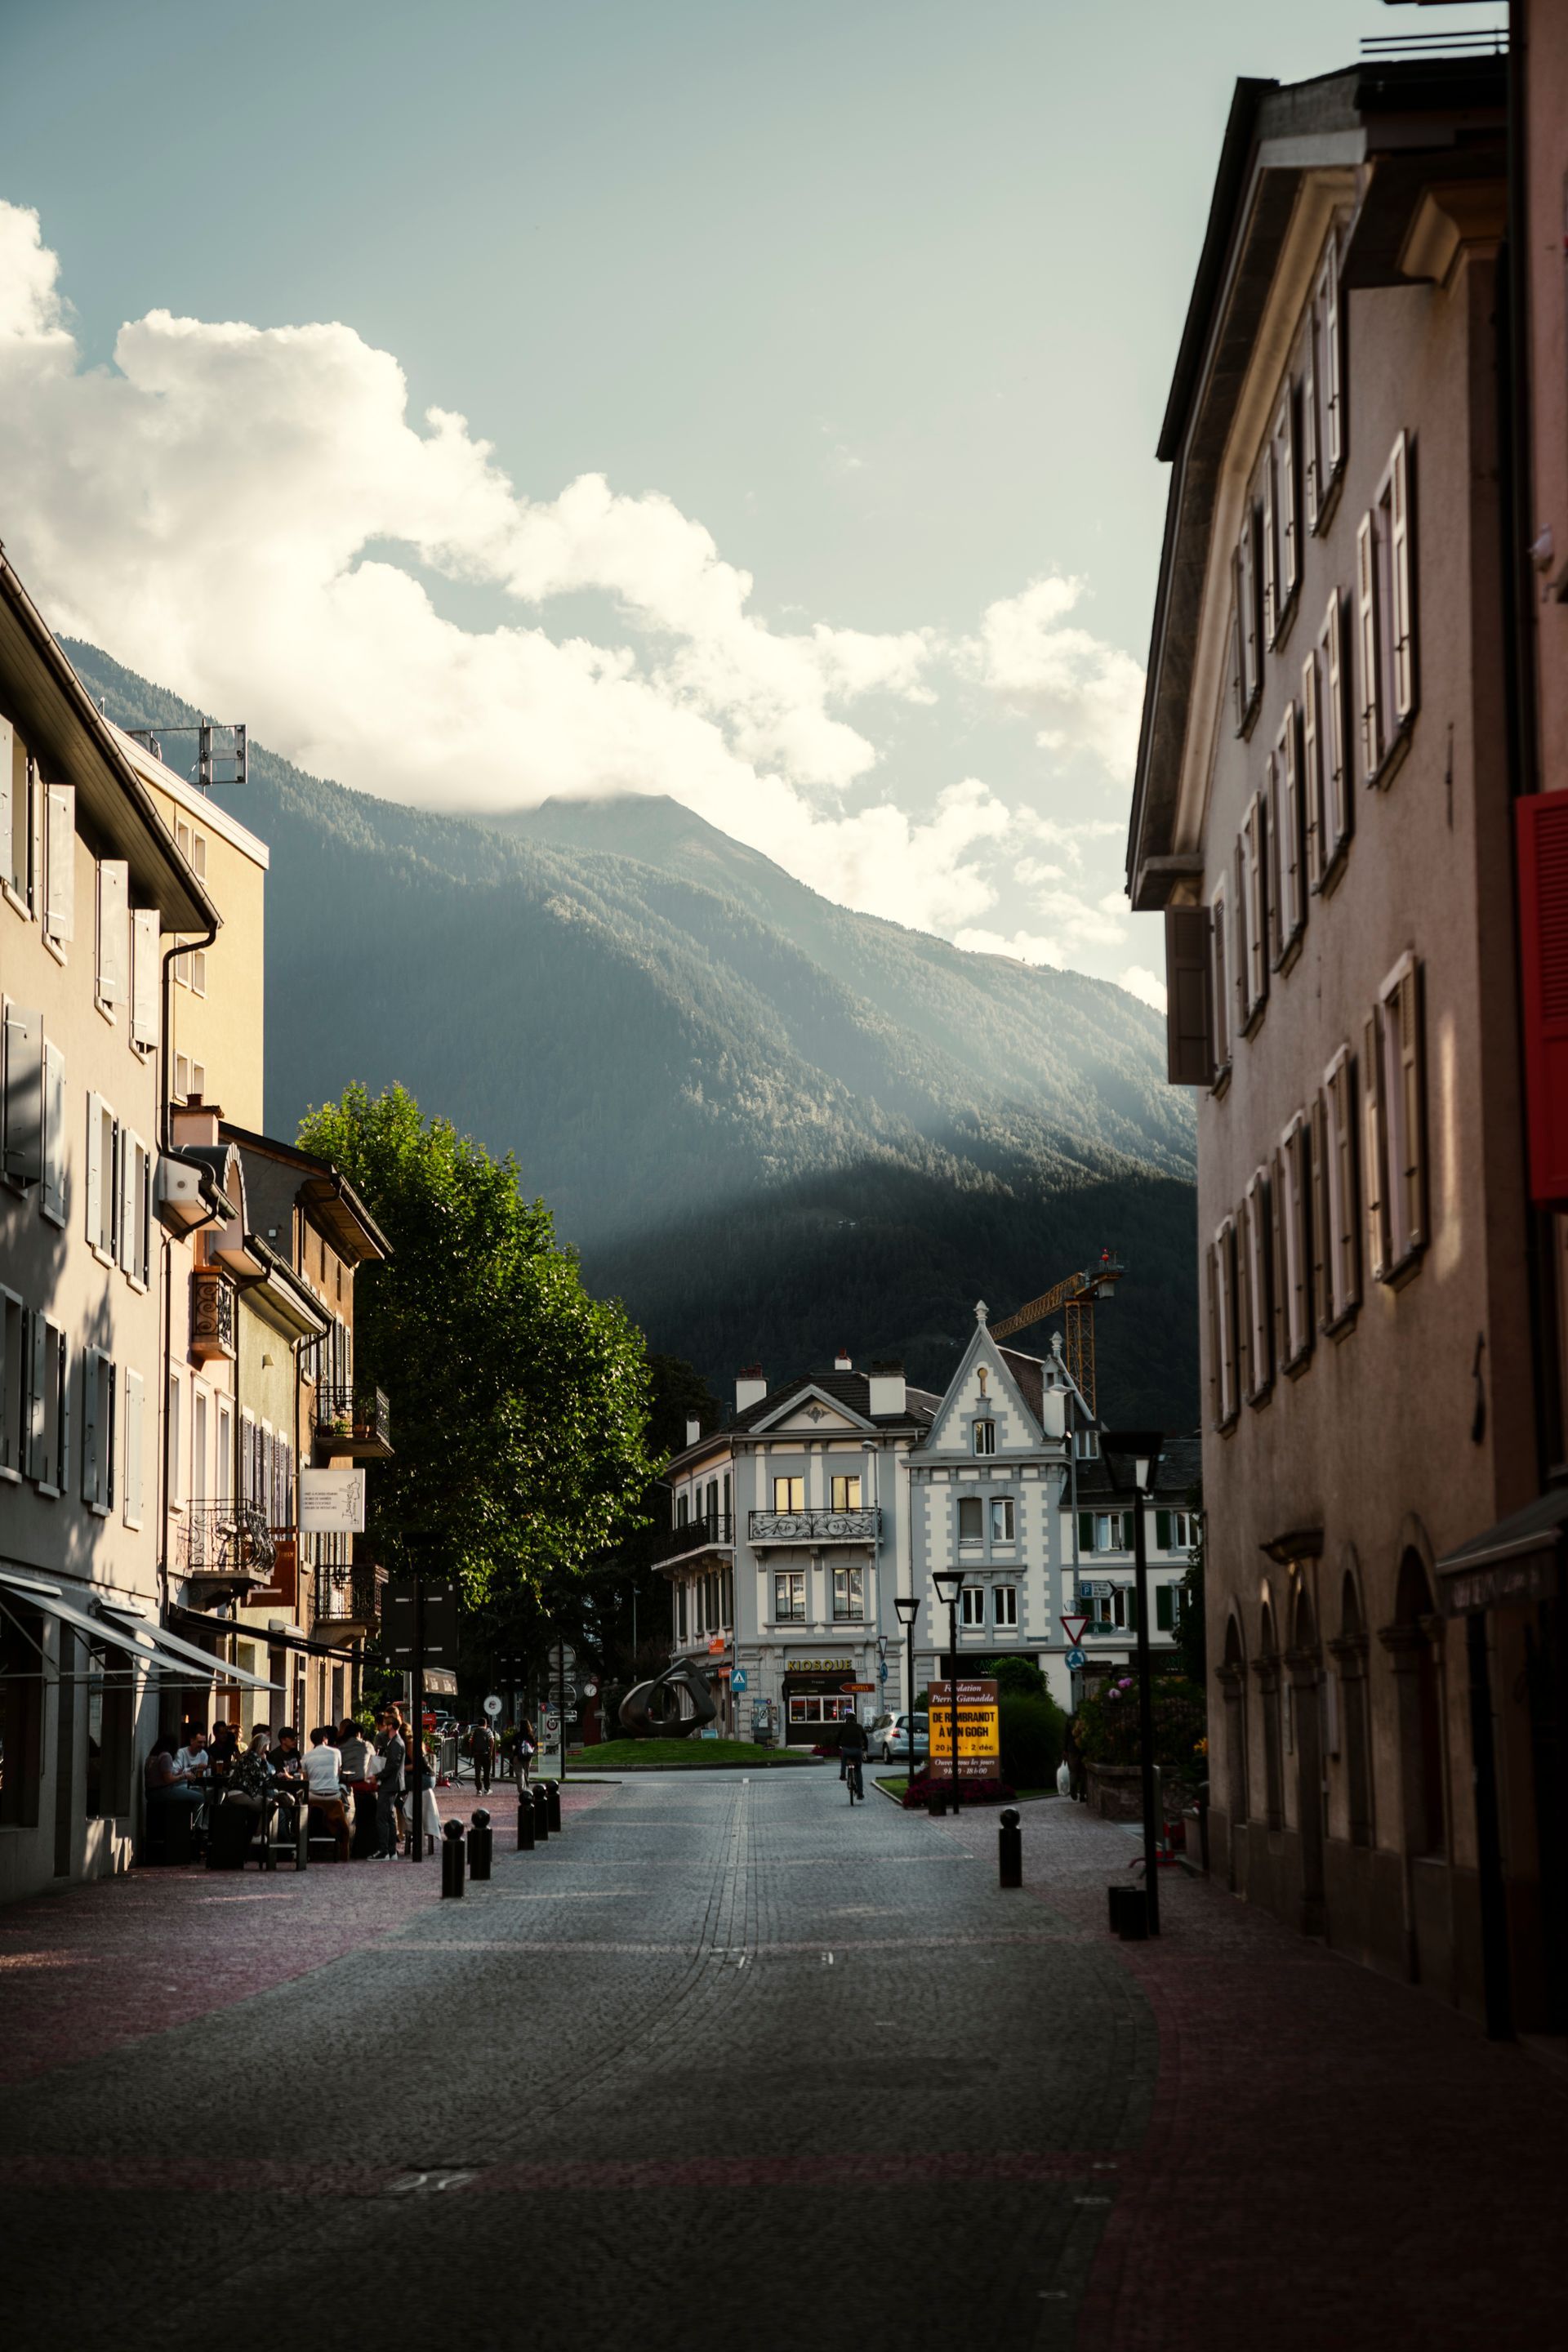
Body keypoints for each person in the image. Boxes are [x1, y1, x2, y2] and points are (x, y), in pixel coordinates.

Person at [302, 1726, 351, 1863]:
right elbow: (338, 1773)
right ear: (325, 1739)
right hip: (333, 1796)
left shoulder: (306, 1757)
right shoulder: (336, 1753)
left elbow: (305, 1779)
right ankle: (339, 1839)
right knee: (344, 1803)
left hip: (314, 1796)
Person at [375, 1714, 406, 1860]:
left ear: (392, 1726)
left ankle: (384, 1850)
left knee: (382, 1816)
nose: (384, 1728)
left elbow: (392, 1765)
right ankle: (392, 1851)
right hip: (393, 1783)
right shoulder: (395, 1742)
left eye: (387, 1725)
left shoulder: (395, 1743)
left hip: (390, 1784)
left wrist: (377, 1776)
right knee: (389, 1816)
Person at [839, 1708, 868, 1805]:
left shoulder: (843, 1727)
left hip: (846, 1750)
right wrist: (865, 1749)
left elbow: (837, 1738)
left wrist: (838, 1746)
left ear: (847, 1719)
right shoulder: (859, 1727)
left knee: (843, 1760)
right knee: (858, 1771)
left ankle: (843, 1774)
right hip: (857, 1751)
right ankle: (860, 1793)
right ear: (855, 1719)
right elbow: (865, 1739)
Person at [470, 1717, 495, 1795]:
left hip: (477, 1754)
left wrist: (473, 1750)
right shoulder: (488, 1731)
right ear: (486, 1724)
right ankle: (487, 1789)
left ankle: (479, 1790)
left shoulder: (474, 1731)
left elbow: (470, 1741)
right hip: (486, 1754)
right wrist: (490, 1751)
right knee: (487, 1773)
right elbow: (492, 1741)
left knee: (477, 1773)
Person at [515, 1714, 537, 1787]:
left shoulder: (518, 1735)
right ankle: (527, 1784)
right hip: (528, 1756)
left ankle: (521, 1787)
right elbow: (533, 1745)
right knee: (526, 1771)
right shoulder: (530, 1736)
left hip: (519, 1756)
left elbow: (513, 1745)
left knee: (520, 1772)